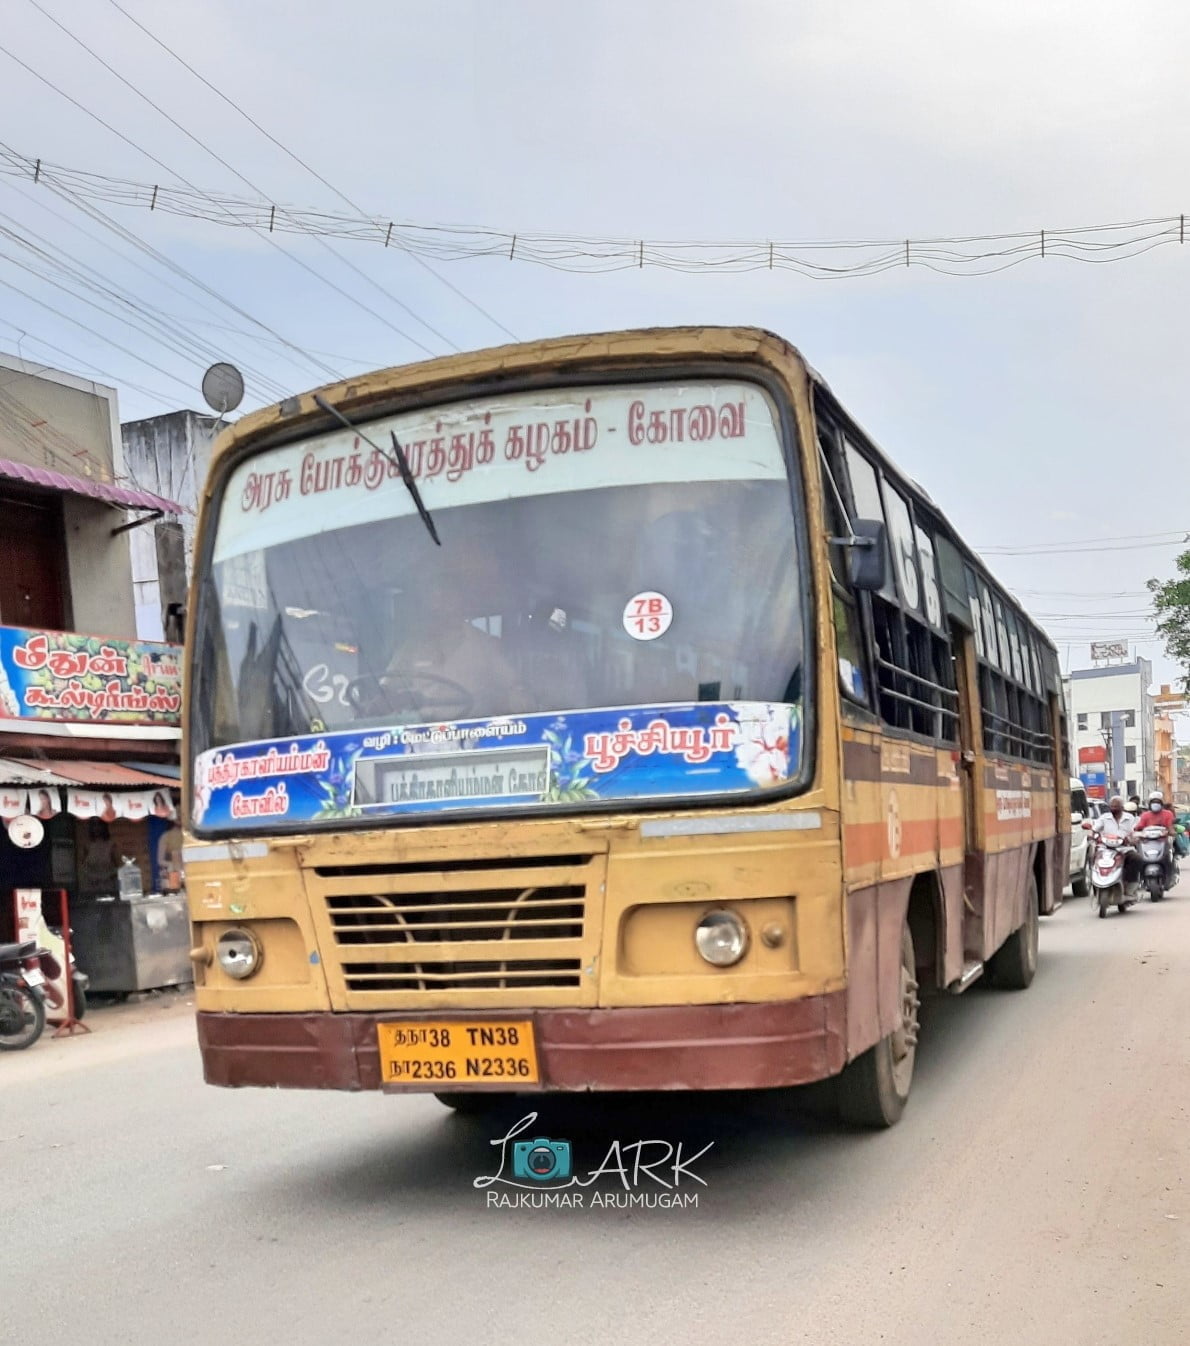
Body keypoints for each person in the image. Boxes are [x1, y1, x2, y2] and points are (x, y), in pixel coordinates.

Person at [1133, 791, 1177, 887]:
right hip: (1147, 841)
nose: (1155, 804)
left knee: (1169, 856)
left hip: (1163, 840)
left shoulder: (1168, 814)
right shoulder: (1145, 815)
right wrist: (1136, 832)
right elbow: (1139, 827)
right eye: (1153, 802)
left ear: (1161, 803)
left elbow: (1170, 827)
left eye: (1157, 802)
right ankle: (1139, 877)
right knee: (1138, 856)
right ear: (1150, 804)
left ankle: (1170, 875)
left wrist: (1171, 832)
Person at [79, 818, 120, 896]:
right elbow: (82, 866)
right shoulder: (87, 845)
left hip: (108, 886)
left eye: (99, 825)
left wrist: (107, 876)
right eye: (94, 825)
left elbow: (118, 866)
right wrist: (92, 876)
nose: (97, 828)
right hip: (91, 886)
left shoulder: (111, 845)